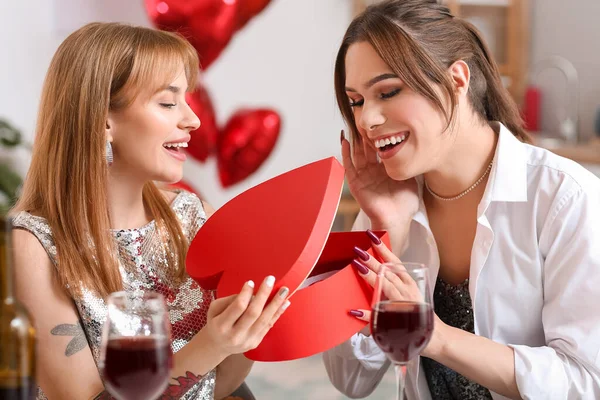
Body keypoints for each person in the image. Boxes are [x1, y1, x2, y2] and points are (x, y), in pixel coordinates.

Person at [322, 0, 600, 399]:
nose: (367, 120)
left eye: (387, 92)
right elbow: (350, 380)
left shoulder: (564, 199)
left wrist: (436, 338)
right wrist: (390, 232)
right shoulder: (386, 206)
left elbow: (586, 381)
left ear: (456, 79)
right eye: (357, 101)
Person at [10, 22, 290, 400]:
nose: (192, 120)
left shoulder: (192, 216)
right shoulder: (33, 246)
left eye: (187, 101)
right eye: (168, 102)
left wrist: (244, 332)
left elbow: (220, 386)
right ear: (103, 119)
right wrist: (213, 342)